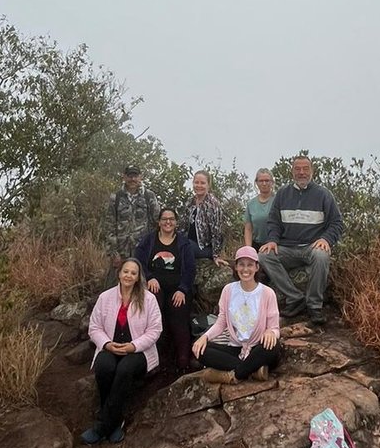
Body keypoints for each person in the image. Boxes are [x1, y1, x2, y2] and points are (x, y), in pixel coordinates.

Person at [83, 258, 163, 444]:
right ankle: (115, 421)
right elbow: (94, 327)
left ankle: (102, 426)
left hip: (138, 351)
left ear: (137, 277)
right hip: (110, 346)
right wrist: (107, 344)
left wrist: (133, 346)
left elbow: (155, 330)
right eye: (126, 271)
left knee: (124, 370)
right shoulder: (105, 297)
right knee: (104, 366)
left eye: (133, 273)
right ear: (119, 274)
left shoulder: (148, 299)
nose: (129, 275)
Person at [258, 155, 343, 327]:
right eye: (298, 169)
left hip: (312, 247)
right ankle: (295, 298)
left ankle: (314, 306)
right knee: (264, 256)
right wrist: (273, 240)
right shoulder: (282, 194)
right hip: (287, 247)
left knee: (321, 256)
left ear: (312, 171)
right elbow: (274, 221)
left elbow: (337, 223)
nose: (302, 172)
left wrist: (326, 239)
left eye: (305, 169)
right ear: (292, 171)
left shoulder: (323, 194)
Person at [193, 246, 281, 385]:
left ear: (257, 267)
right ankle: (253, 370)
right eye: (241, 265)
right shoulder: (228, 290)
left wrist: (270, 332)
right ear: (236, 267)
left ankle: (234, 375)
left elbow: (275, 328)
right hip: (236, 347)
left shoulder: (267, 293)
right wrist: (205, 337)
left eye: (250, 265)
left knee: (273, 347)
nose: (245, 269)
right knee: (201, 349)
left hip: (257, 347)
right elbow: (221, 322)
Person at [134, 207, 197, 375]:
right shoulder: (149, 240)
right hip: (155, 286)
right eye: (164, 219)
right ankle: (153, 360)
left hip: (178, 289)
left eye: (171, 219)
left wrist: (183, 289)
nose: (168, 222)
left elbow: (190, 269)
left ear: (176, 223)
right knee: (154, 310)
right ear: (159, 222)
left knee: (178, 312)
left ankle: (183, 359)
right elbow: (138, 259)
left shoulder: (184, 243)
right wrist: (149, 277)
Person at [105, 166, 160, 270]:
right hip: (121, 253)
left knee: (143, 282)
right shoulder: (115, 198)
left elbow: (157, 223)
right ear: (124, 177)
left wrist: (154, 248)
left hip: (143, 250)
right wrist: (113, 252)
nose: (133, 179)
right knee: (119, 283)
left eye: (135, 176)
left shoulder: (149, 196)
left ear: (140, 177)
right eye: (130, 176)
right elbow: (110, 226)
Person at [243, 168, 276, 250]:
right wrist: (248, 249)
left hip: (274, 245)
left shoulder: (278, 201)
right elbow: (248, 228)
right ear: (256, 183)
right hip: (256, 245)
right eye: (261, 181)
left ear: (272, 182)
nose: (264, 183)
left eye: (267, 180)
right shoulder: (251, 204)